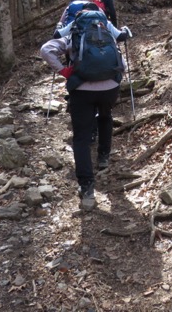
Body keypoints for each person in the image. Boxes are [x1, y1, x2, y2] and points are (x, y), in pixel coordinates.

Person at [40, 18, 133, 207]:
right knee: (106, 117)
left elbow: (46, 50)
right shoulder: (107, 34)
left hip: (81, 90)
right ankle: (103, 157)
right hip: (110, 89)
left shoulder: (72, 35)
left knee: (81, 138)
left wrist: (64, 71)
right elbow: (121, 63)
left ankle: (87, 189)